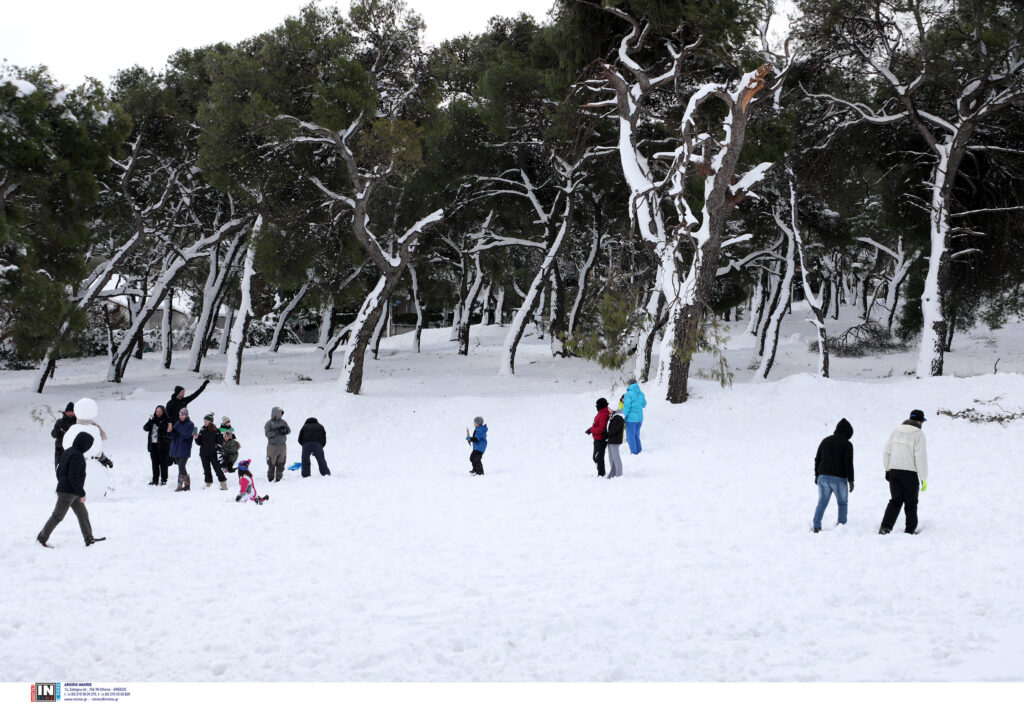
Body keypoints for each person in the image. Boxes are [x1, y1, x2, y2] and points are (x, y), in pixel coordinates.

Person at [37, 432, 106, 547]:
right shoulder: (77, 455)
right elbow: (73, 476)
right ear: (84, 444)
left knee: (82, 514)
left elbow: (59, 471)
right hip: (68, 492)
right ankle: (41, 538)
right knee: (57, 516)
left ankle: (89, 539)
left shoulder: (68, 451)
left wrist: (63, 484)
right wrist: (81, 493)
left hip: (70, 491)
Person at [879, 409, 929, 535]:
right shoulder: (919, 434)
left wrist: (887, 469)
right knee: (911, 503)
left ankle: (885, 528)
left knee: (895, 501)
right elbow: (921, 458)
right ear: (919, 421)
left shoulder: (896, 431)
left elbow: (886, 452)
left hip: (894, 472)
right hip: (909, 474)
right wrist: (923, 478)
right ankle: (910, 530)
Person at [812, 418, 855, 533]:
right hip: (839, 479)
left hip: (823, 477)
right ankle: (841, 526)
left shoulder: (825, 441)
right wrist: (851, 480)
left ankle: (816, 526)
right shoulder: (847, 445)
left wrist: (817, 475)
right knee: (842, 503)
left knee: (822, 502)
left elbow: (817, 459)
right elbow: (848, 463)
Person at [196, 412, 228, 489]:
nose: (205, 423)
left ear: (210, 422)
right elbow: (199, 443)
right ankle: (208, 483)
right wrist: (196, 437)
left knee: (217, 469)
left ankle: (223, 484)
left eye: (206, 421)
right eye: (204, 421)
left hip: (213, 453)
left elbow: (220, 442)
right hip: (204, 453)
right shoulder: (202, 429)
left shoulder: (216, 431)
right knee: (206, 469)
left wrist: (218, 449)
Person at [143, 405, 171, 485]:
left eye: (160, 411)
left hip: (162, 445)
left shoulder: (167, 419)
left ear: (163, 412)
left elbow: (164, 428)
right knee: (154, 463)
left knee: (163, 463)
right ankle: (155, 480)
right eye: (157, 411)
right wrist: (150, 421)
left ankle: (164, 480)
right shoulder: (153, 420)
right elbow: (145, 428)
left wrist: (155, 421)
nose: (158, 413)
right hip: (153, 445)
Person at [170, 408, 196, 492]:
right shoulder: (177, 423)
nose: (180, 417)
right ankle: (187, 485)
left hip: (184, 449)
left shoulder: (190, 424)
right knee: (182, 467)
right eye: (180, 415)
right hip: (176, 448)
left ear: (186, 415)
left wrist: (177, 432)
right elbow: (172, 435)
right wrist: (171, 430)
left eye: (182, 415)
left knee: (181, 467)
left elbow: (187, 435)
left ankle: (179, 486)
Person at [585, 398, 611, 477]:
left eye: (597, 405)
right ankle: (601, 473)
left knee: (598, 457)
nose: (596, 406)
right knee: (596, 457)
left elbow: (601, 428)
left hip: (600, 439)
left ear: (601, 405)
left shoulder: (603, 414)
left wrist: (591, 429)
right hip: (597, 438)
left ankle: (601, 474)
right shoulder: (601, 412)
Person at [264, 407, 291, 482]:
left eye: (280, 413)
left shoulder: (283, 422)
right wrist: (277, 431)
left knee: (281, 462)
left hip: (282, 446)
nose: (280, 414)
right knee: (271, 463)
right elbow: (267, 434)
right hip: (272, 446)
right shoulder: (269, 423)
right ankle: (270, 477)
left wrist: (285, 431)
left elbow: (289, 431)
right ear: (274, 413)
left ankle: (279, 477)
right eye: (278, 413)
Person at [622, 378, 647, 455]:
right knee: (636, 435)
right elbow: (644, 404)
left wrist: (623, 415)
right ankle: (639, 451)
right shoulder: (641, 393)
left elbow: (626, 406)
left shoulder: (629, 394)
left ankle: (633, 452)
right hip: (639, 419)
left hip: (631, 419)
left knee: (630, 436)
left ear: (630, 385)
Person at [50, 402, 76, 468]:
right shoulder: (59, 422)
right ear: (65, 412)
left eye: (71, 411)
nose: (70, 413)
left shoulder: (77, 423)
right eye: (68, 411)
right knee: (60, 470)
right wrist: (57, 429)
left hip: (73, 450)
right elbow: (53, 435)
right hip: (60, 450)